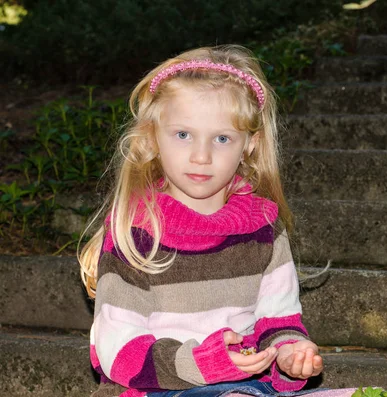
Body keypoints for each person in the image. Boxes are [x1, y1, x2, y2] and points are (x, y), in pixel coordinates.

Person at [78, 44, 324, 397]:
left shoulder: (263, 228)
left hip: (248, 386)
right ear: (152, 137)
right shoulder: (137, 229)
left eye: (222, 138)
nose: (201, 156)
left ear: (249, 145)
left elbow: (278, 321)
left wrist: (289, 353)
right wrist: (200, 363)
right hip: (157, 387)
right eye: (183, 135)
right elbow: (116, 346)